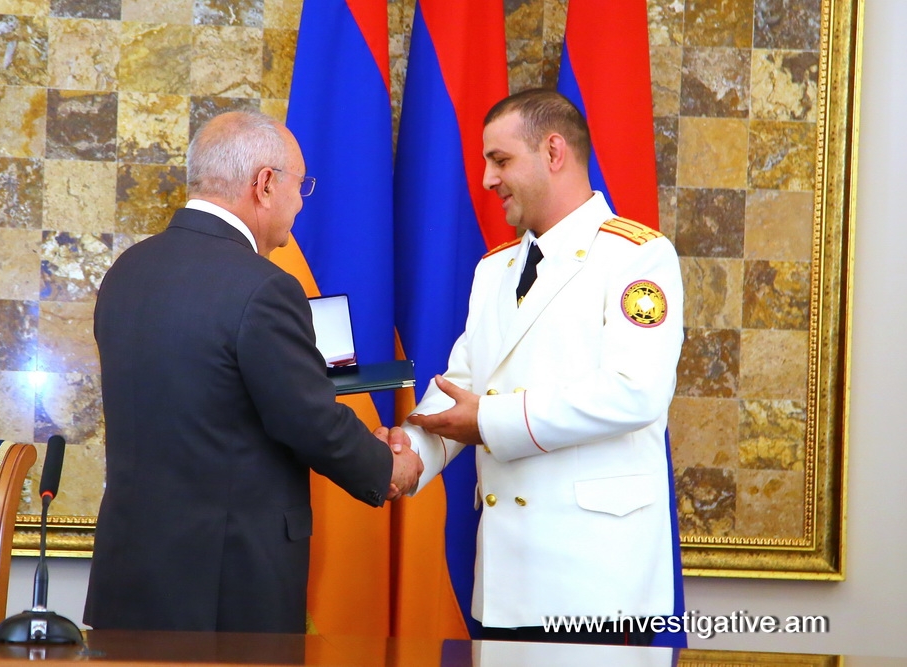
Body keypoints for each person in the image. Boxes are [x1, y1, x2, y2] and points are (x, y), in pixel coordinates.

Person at [84, 111, 422, 633]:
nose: (301, 203)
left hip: (127, 578)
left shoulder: (126, 272)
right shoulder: (264, 287)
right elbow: (308, 420)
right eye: (300, 185)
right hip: (226, 589)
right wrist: (387, 467)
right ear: (264, 184)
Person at [398, 89, 684, 645]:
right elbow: (464, 385)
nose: (487, 179)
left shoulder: (637, 256)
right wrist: (409, 454)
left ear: (553, 152)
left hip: (597, 584)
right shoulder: (495, 269)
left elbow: (635, 392)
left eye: (500, 160)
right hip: (507, 578)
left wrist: (489, 421)